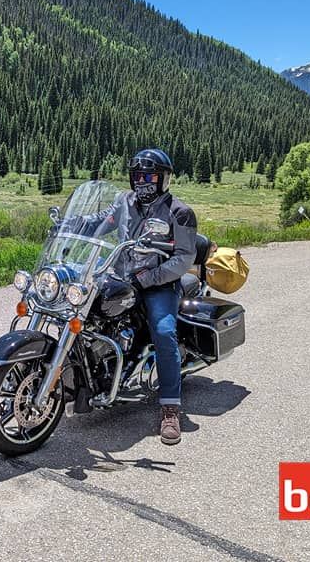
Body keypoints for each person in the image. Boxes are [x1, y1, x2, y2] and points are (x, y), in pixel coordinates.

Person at [73, 148, 197, 444]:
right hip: (119, 277)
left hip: (158, 284)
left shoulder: (179, 212)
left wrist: (148, 278)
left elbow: (183, 258)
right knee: (81, 312)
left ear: (163, 179)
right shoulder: (124, 202)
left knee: (164, 332)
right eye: (139, 176)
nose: (144, 182)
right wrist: (72, 223)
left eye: (150, 176)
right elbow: (101, 221)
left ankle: (170, 407)